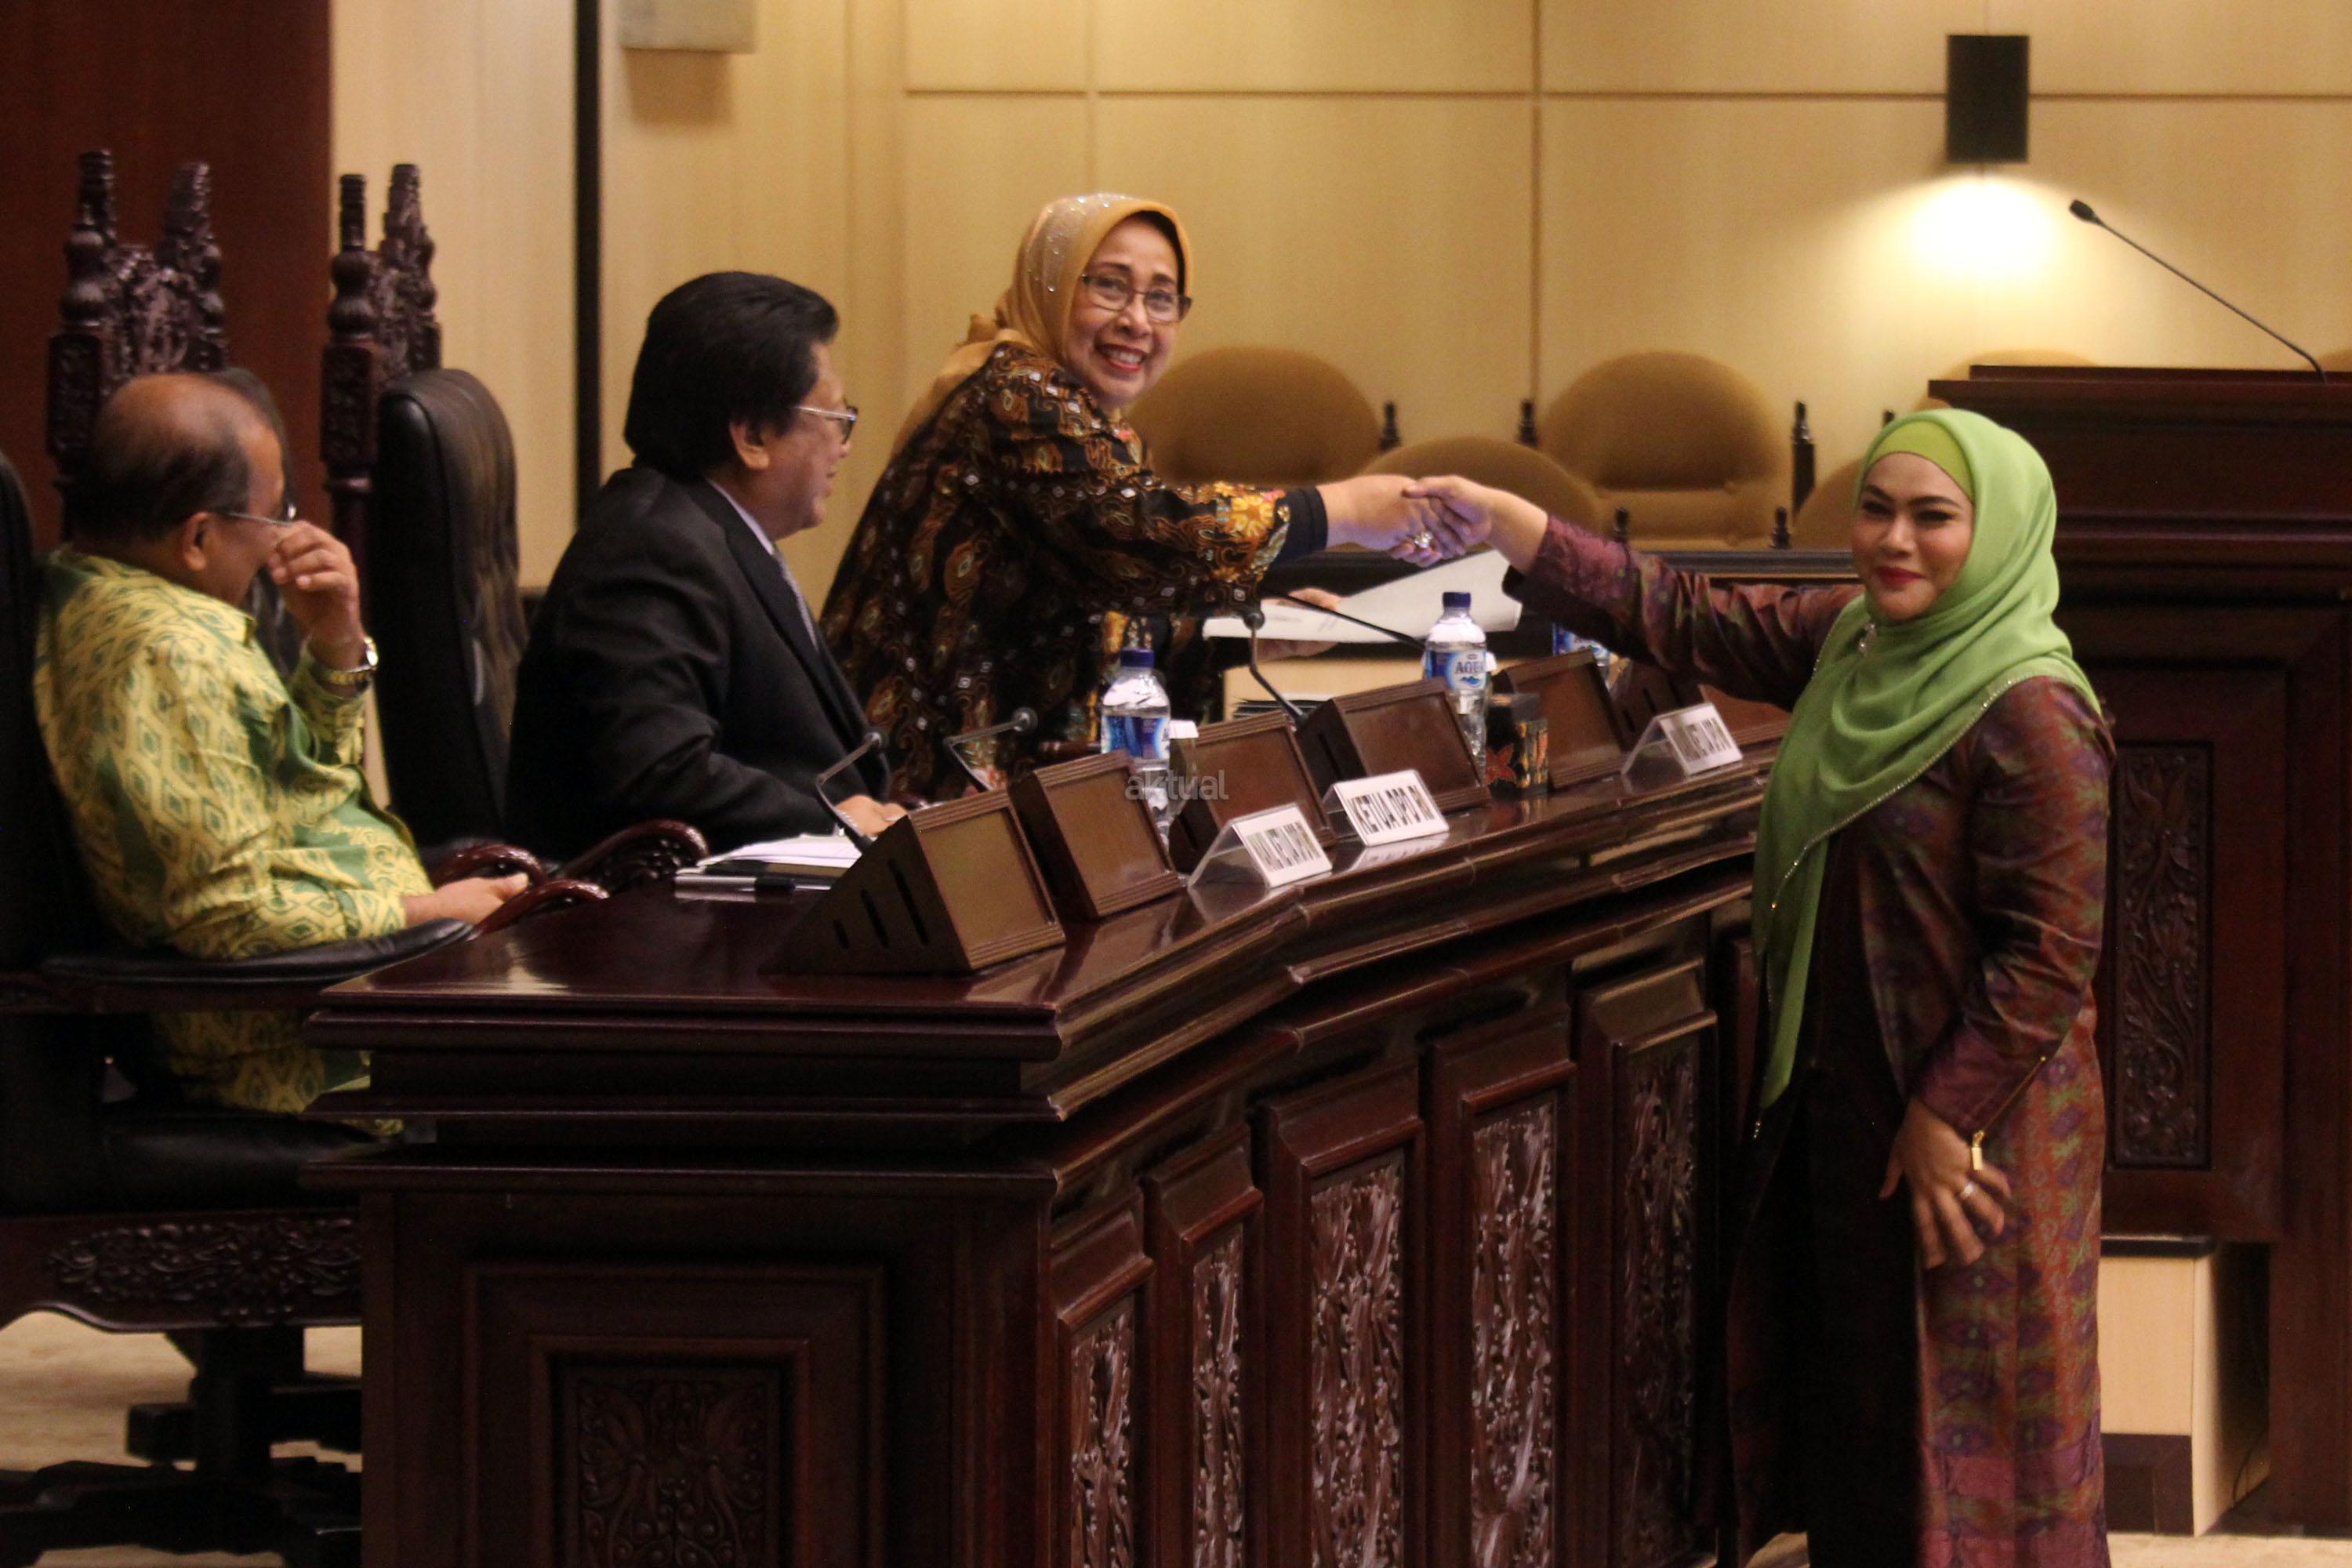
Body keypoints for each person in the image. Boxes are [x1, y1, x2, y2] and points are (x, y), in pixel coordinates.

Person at [1411, 409, 2112, 1565]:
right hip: (1850, 1096)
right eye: (1876, 510)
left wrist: (1947, 1114)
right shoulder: (1854, 640)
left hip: (1981, 1135)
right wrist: (1517, 527)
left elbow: (2049, 951)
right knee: (1867, 1421)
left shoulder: (2033, 709)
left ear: (1997, 534)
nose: (1895, 540)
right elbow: (1688, 615)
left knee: (1976, 1427)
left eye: (1934, 517)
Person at [822, 193, 1443, 793]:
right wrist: (1345, 510)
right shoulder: (1017, 394)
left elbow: (1107, 609)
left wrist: (1237, 637)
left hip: (993, 777)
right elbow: (1137, 535)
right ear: (1049, 286)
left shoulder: (1088, 420)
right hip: (915, 788)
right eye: (1109, 286)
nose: (1137, 321)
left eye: (1161, 298)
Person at [35, 372, 524, 1115]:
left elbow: (303, 789)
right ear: (198, 538)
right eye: (273, 515)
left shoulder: (100, 587)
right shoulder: (173, 654)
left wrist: (334, 644)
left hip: (350, 998)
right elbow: (226, 916)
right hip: (301, 1048)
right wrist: (431, 913)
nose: (283, 539)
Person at [506, 273, 902, 859]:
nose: (844, 445)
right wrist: (830, 823)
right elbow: (659, 771)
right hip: (671, 905)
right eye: (834, 417)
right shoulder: (652, 548)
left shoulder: (711, 529)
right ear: (752, 435)